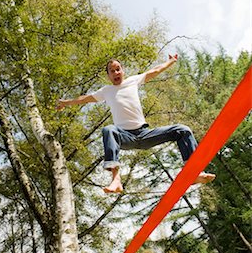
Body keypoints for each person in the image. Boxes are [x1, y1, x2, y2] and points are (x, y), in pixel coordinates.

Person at [57, 55, 216, 193]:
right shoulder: (106, 91)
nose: (116, 73)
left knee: (183, 130)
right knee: (109, 130)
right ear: (108, 76)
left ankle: (193, 172)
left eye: (118, 69)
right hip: (124, 137)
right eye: (112, 71)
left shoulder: (133, 81)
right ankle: (116, 179)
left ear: (123, 71)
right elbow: (84, 99)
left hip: (145, 134)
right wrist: (66, 103)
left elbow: (154, 71)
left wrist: (170, 62)